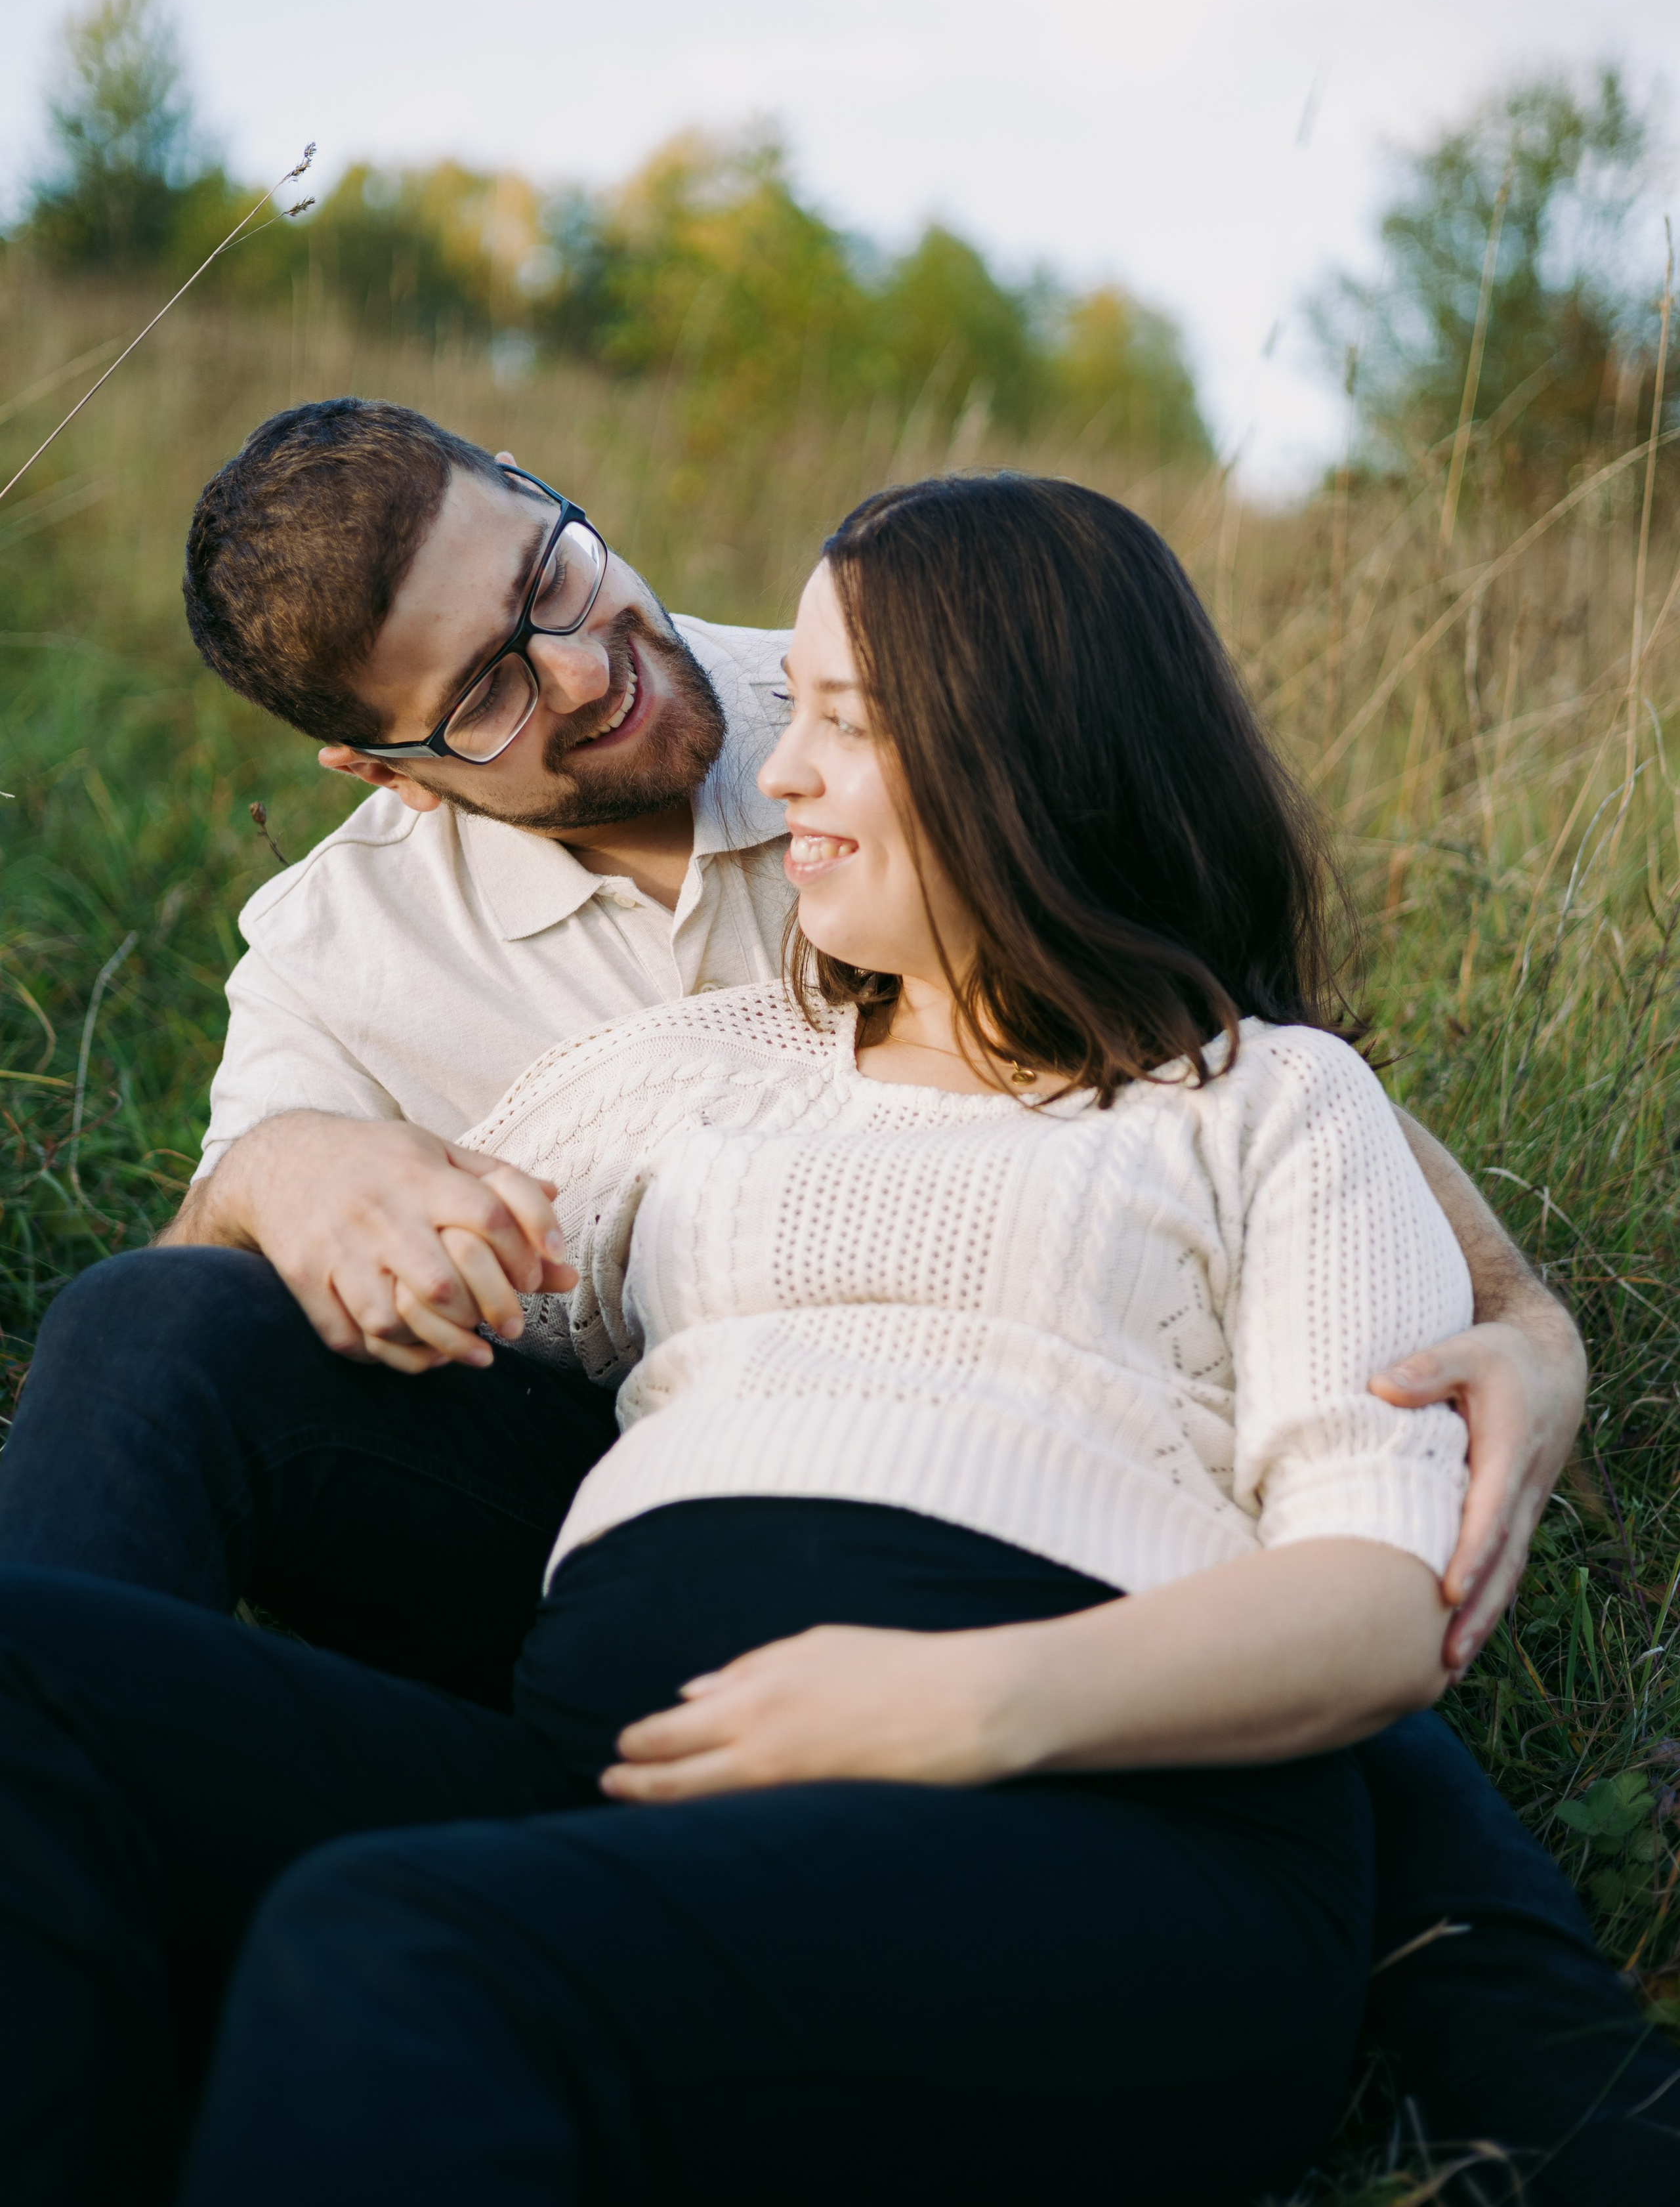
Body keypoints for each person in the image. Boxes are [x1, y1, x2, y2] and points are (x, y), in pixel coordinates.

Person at [0, 474, 1670, 2206]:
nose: (777, 754)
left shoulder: (1257, 1095)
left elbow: (1373, 1578)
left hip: (1070, 1780)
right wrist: (296, 1168)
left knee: (391, 1939)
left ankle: (1552, 2068)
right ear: (384, 762)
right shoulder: (678, 1062)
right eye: (489, 688)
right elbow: (214, 1303)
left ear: (1035, 749)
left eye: (850, 721)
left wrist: (957, 1697)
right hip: (627, 1742)